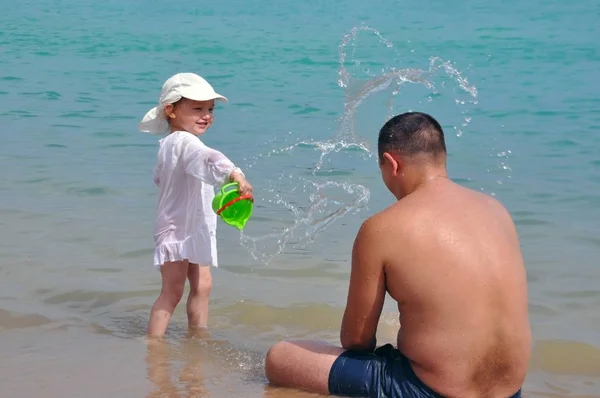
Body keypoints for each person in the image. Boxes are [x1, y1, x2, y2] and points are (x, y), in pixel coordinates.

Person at [264, 112, 531, 397]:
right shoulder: (495, 210)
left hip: (427, 391)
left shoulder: (382, 228)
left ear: (392, 164)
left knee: (280, 358)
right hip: (509, 392)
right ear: (441, 157)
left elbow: (356, 340)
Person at [139, 72, 252, 338]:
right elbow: (208, 157)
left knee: (203, 286)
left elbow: (160, 177)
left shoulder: (169, 144)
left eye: (211, 109)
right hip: (177, 228)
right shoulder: (185, 142)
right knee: (173, 291)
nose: (207, 115)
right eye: (198, 108)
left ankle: (197, 339)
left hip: (192, 224)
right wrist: (234, 173)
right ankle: (155, 346)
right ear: (171, 110)